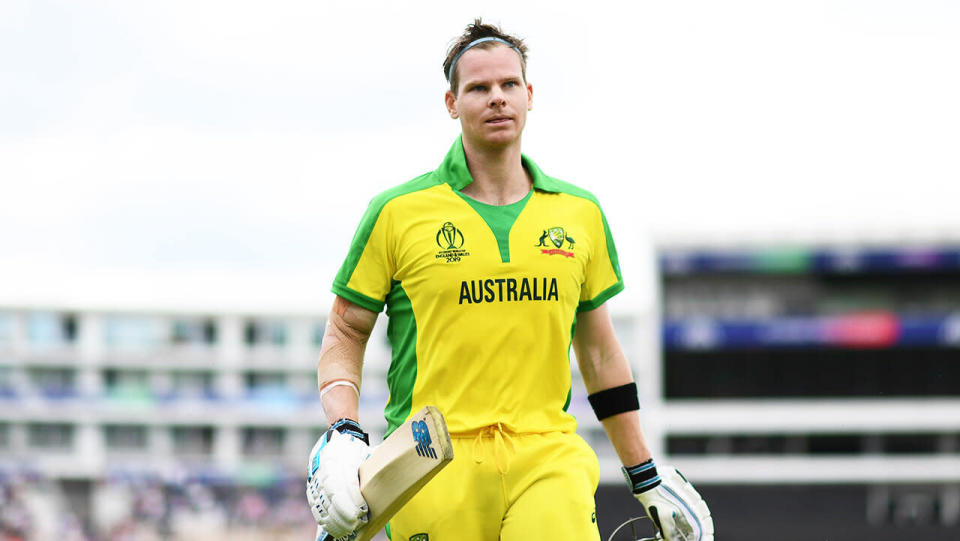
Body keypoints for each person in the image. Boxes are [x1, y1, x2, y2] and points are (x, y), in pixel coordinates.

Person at [306, 19, 714, 541]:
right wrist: (342, 432)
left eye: (508, 85)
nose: (496, 98)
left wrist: (647, 477)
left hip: (547, 454)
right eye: (478, 87)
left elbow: (599, 354)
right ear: (452, 103)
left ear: (529, 95)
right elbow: (345, 333)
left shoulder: (579, 213)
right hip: (430, 457)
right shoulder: (397, 211)